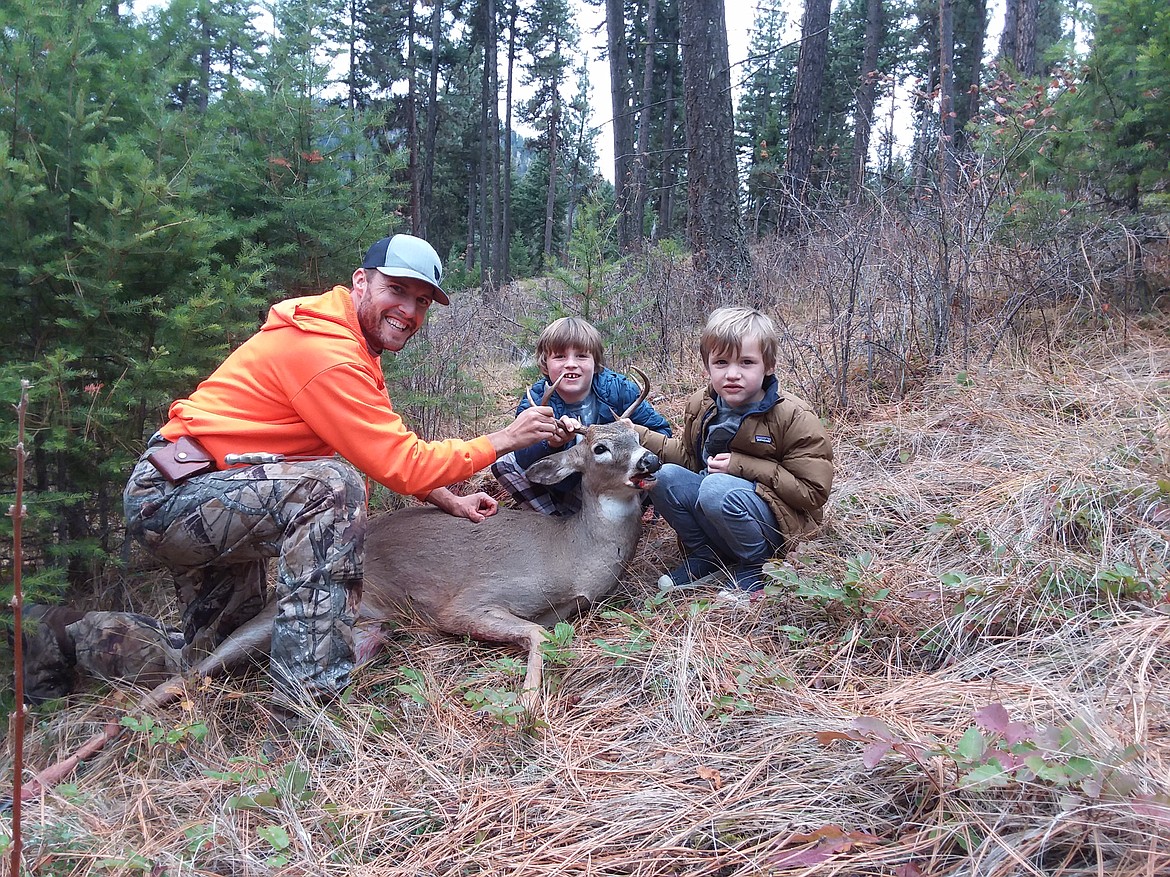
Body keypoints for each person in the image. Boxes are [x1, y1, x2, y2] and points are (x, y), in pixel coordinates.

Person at [123, 234, 559, 702]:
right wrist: (504, 440)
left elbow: (373, 447)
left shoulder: (347, 343)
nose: (409, 311)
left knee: (224, 660)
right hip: (174, 497)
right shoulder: (324, 351)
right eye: (396, 290)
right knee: (330, 489)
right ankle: (304, 707)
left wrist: (445, 497)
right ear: (361, 282)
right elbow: (399, 463)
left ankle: (98, 650)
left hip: (216, 490)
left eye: (422, 301)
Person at [633, 307, 834, 592]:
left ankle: (758, 566)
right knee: (663, 478)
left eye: (747, 362)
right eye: (721, 362)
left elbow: (813, 493)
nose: (732, 374)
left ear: (769, 365)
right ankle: (708, 555)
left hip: (777, 525)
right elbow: (690, 459)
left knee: (715, 487)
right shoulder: (702, 405)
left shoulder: (793, 416)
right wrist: (636, 433)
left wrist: (741, 466)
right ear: (707, 366)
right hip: (721, 507)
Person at [490, 316, 671, 516]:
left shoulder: (619, 390)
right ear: (545, 364)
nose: (571, 364)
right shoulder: (536, 401)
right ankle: (557, 524)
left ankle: (629, 517)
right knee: (505, 463)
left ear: (595, 362)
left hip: (617, 482)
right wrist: (552, 444)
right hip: (568, 485)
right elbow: (524, 457)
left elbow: (662, 433)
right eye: (559, 357)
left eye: (582, 356)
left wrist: (635, 432)